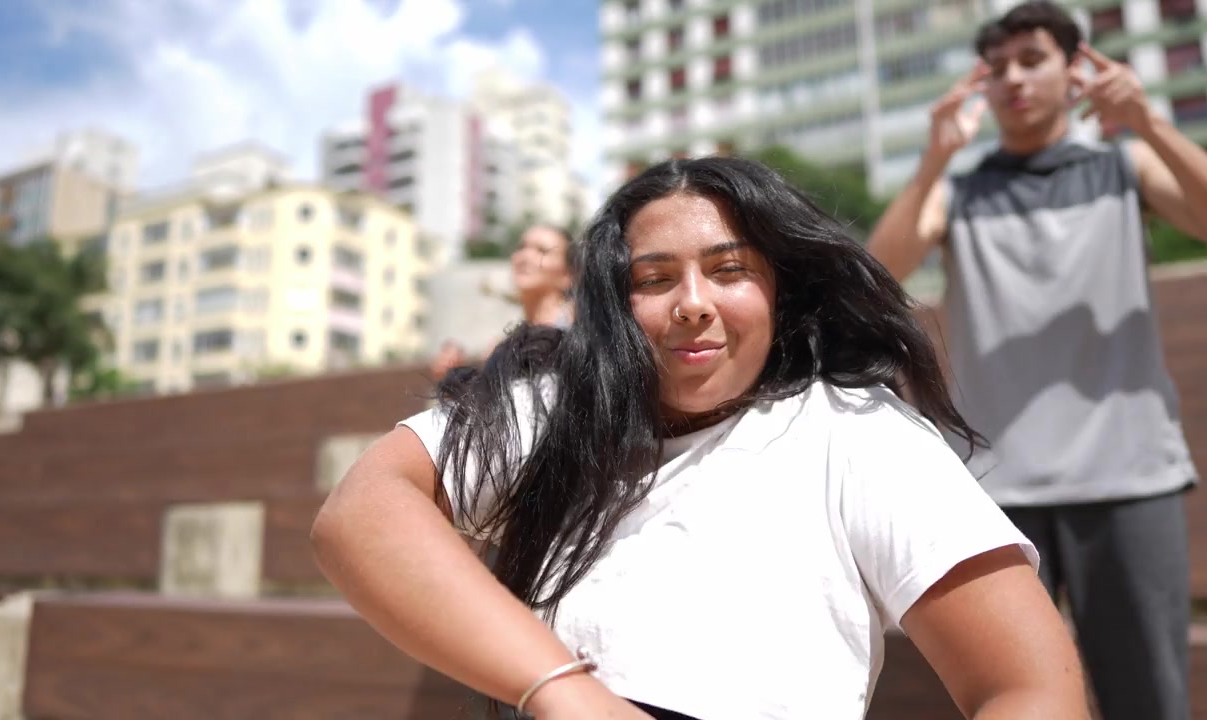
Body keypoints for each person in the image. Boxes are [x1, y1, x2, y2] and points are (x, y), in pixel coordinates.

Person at [312, 156, 1087, 719]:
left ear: (781, 290)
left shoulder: (857, 431)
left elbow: (1032, 689)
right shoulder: (556, 406)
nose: (692, 303)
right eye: (654, 279)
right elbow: (361, 512)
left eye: (729, 269)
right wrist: (568, 694)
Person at [865, 3, 1203, 718]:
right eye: (997, 68)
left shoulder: (1125, 165)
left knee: (1150, 699)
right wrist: (933, 159)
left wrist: (1148, 122)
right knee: (1021, 701)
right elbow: (876, 276)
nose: (1013, 79)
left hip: (1129, 476)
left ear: (1076, 70)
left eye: (1031, 60)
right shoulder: (956, 191)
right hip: (996, 491)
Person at [431, 225, 574, 381]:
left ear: (568, 275)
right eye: (521, 247)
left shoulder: (577, 331)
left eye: (542, 251)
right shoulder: (505, 347)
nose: (525, 256)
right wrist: (455, 377)